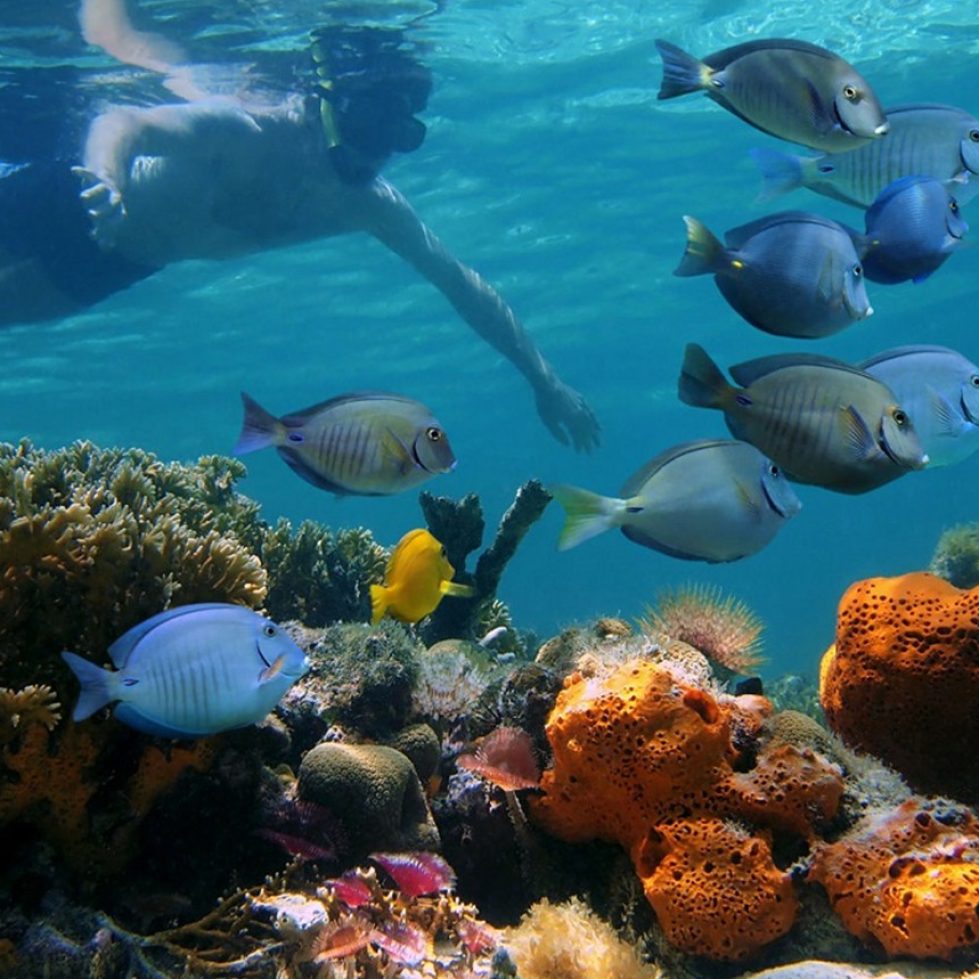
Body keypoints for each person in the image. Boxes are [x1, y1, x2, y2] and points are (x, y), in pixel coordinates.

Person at [0, 0, 600, 452]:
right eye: (368, 129)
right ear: (329, 104)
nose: (374, 157)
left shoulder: (365, 202)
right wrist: (105, 181)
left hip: (117, 264)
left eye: (398, 140)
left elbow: (461, 283)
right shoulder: (247, 131)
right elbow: (122, 121)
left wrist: (544, 382)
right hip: (68, 196)